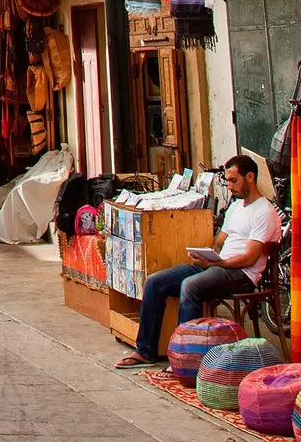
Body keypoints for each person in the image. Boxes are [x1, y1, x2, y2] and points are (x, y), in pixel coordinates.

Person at [116, 155, 281, 369]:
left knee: (191, 286)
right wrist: (208, 254)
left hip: (242, 274)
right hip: (221, 266)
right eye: (227, 181)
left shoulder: (264, 211)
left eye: (234, 180)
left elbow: (250, 257)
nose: (229, 186)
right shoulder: (236, 207)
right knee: (155, 282)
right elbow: (219, 241)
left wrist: (216, 264)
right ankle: (146, 350)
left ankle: (184, 360)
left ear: (250, 177)